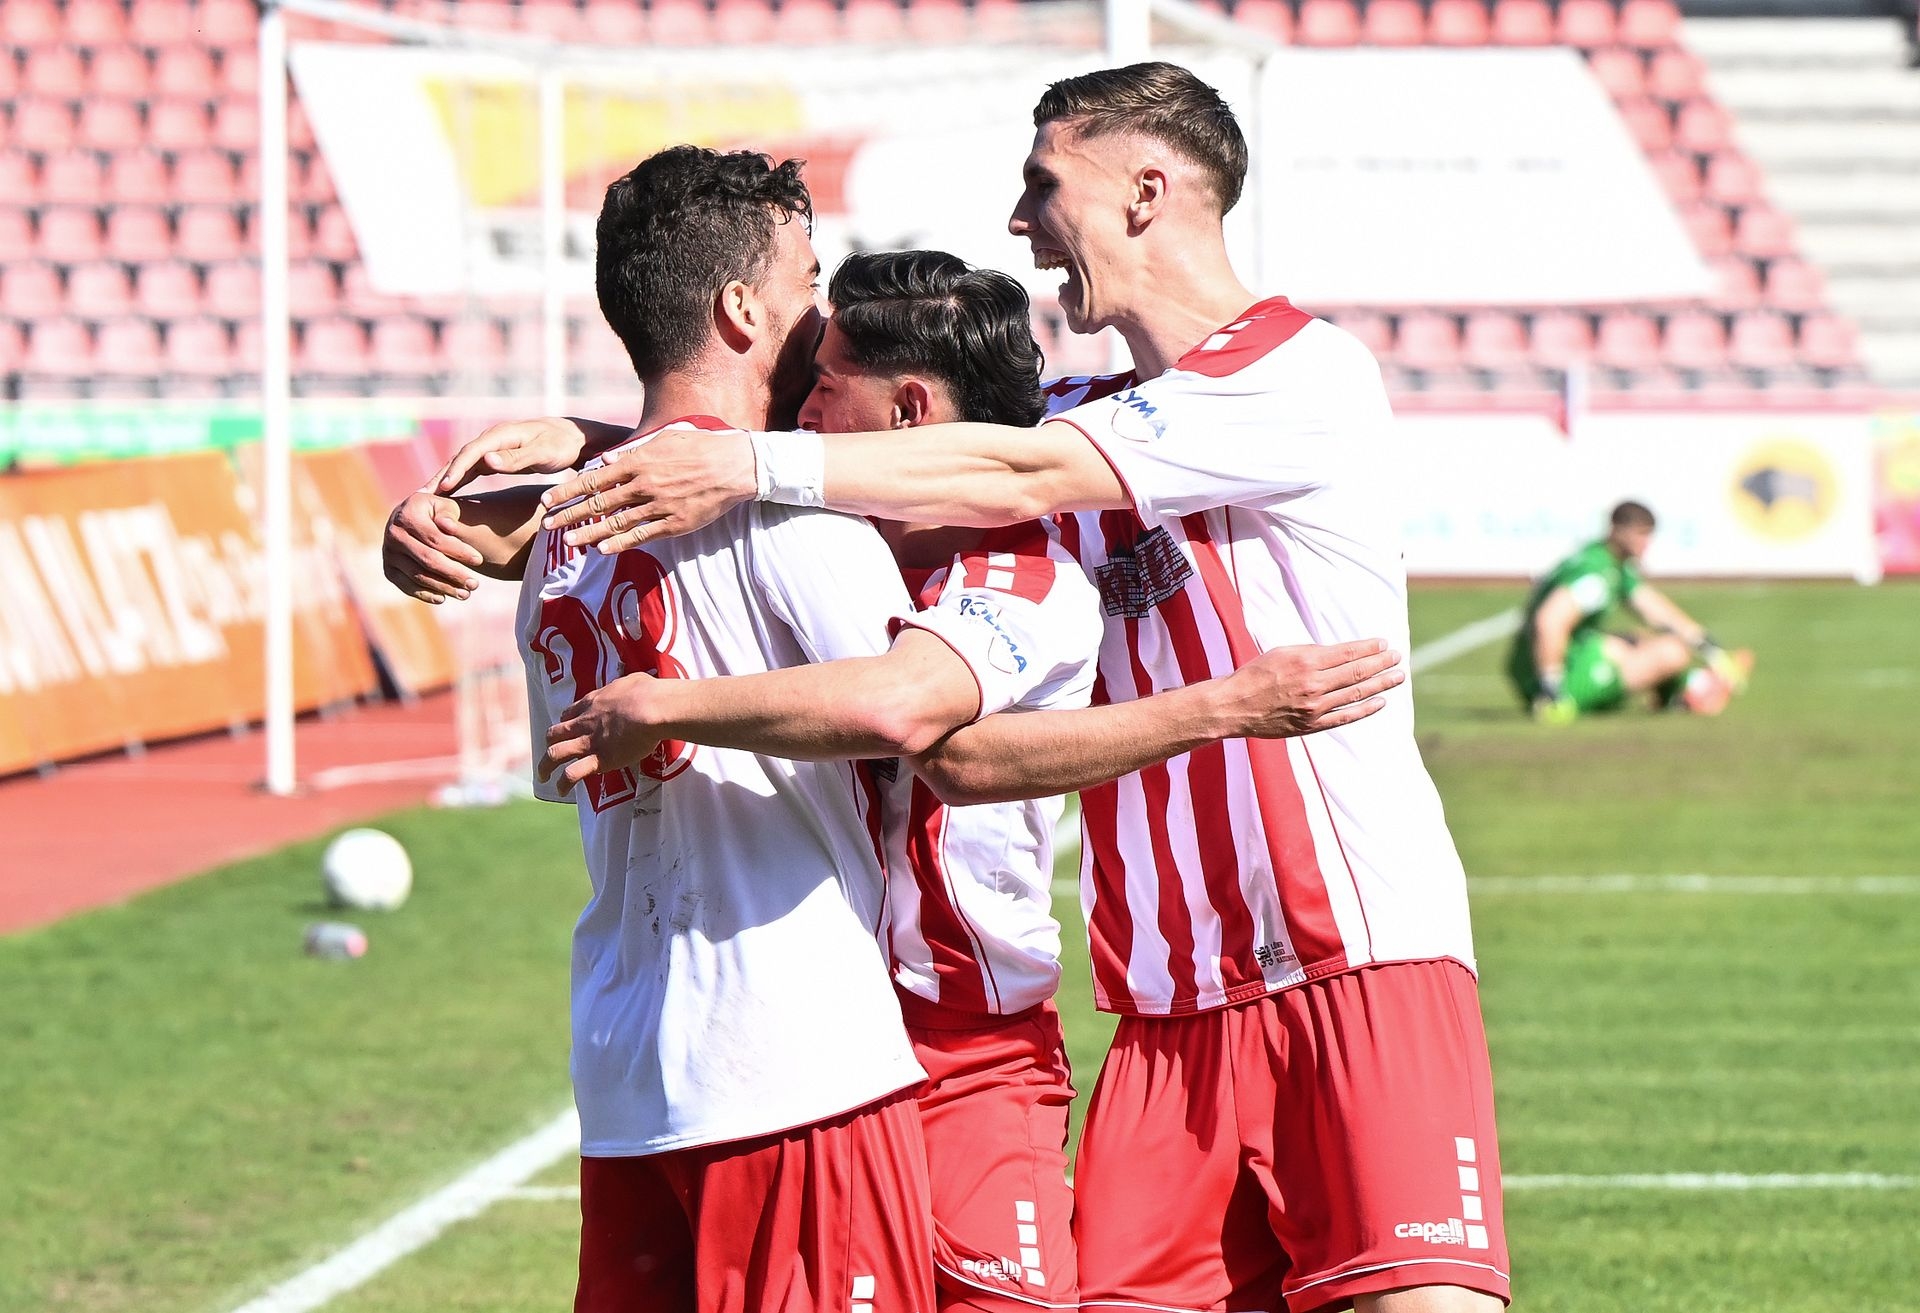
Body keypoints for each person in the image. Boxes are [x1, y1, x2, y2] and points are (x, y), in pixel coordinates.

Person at [436, 62, 1510, 1313]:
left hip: (1353, 949)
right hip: (1169, 997)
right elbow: (927, 449)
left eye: (1044, 184)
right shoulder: (1081, 416)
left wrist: (729, 463)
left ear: (1144, 191)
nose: (1019, 219)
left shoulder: (1297, 375)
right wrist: (599, 444)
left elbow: (998, 472)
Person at [469, 143, 953, 1313]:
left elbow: (570, 771)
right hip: (794, 1055)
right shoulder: (792, 517)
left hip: (627, 1064)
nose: (825, 319)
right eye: (808, 280)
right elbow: (923, 717)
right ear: (741, 309)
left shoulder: (559, 538)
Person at [1508, 500, 1754, 722]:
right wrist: (1551, 688)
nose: (1646, 543)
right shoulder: (1596, 574)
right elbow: (1549, 620)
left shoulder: (1610, 563)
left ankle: (1682, 692)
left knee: (1638, 639)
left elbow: (1655, 610)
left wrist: (1709, 647)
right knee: (1672, 653)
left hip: (1557, 659)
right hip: (1558, 677)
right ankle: (1690, 693)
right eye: (1641, 534)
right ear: (1617, 530)